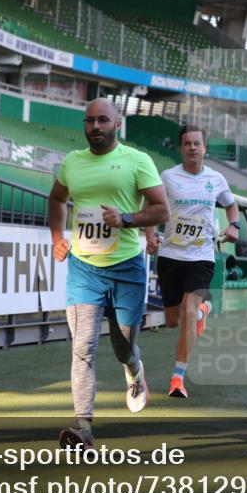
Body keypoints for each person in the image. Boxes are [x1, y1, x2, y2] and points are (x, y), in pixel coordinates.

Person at [49, 97, 170, 450]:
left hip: (127, 268)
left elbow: (161, 208)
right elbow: (57, 199)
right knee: (83, 348)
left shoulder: (137, 161)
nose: (96, 127)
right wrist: (57, 238)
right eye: (90, 121)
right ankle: (83, 427)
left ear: (117, 123)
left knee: (122, 346)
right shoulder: (72, 163)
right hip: (84, 269)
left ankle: (134, 370)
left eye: (103, 120)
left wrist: (128, 219)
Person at [145, 124, 239, 399]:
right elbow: (152, 207)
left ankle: (178, 378)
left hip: (201, 256)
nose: (192, 147)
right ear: (181, 148)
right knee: (173, 320)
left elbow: (231, 205)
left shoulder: (216, 179)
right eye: (187, 143)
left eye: (197, 143)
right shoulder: (168, 177)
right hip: (171, 255)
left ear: (205, 148)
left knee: (187, 311)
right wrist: (150, 236)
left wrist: (234, 225)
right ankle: (201, 313)